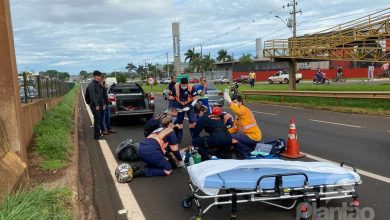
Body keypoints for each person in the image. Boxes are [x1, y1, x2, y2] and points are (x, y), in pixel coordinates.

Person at [223, 92, 262, 159]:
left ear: (240, 102)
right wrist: (224, 132)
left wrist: (229, 100)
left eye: (235, 102)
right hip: (250, 136)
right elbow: (234, 128)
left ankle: (245, 151)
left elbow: (237, 111)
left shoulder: (244, 109)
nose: (234, 104)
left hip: (252, 136)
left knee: (230, 137)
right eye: (233, 102)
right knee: (228, 135)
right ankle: (247, 148)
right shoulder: (238, 116)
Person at [172, 77, 197, 143]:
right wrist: (175, 106)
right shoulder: (176, 86)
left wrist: (190, 106)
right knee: (179, 122)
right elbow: (173, 97)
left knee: (192, 121)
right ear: (180, 83)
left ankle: (194, 138)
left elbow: (195, 99)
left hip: (189, 105)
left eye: (185, 85)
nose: (184, 86)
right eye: (182, 85)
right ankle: (179, 138)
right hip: (179, 105)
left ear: (187, 83)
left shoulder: (191, 87)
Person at [85, 70, 105, 140]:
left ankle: (98, 134)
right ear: (94, 76)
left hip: (99, 105)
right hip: (95, 105)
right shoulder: (92, 85)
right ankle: (96, 136)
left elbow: (100, 95)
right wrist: (96, 105)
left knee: (98, 120)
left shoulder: (97, 84)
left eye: (100, 76)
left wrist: (103, 104)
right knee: (97, 120)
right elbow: (93, 96)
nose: (99, 77)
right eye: (98, 76)